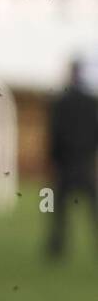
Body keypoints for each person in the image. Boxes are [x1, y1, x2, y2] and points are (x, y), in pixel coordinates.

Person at [46, 59, 98, 260]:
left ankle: (56, 245)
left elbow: (54, 134)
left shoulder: (60, 102)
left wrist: (52, 159)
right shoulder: (90, 101)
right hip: (84, 162)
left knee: (54, 206)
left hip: (65, 163)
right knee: (93, 208)